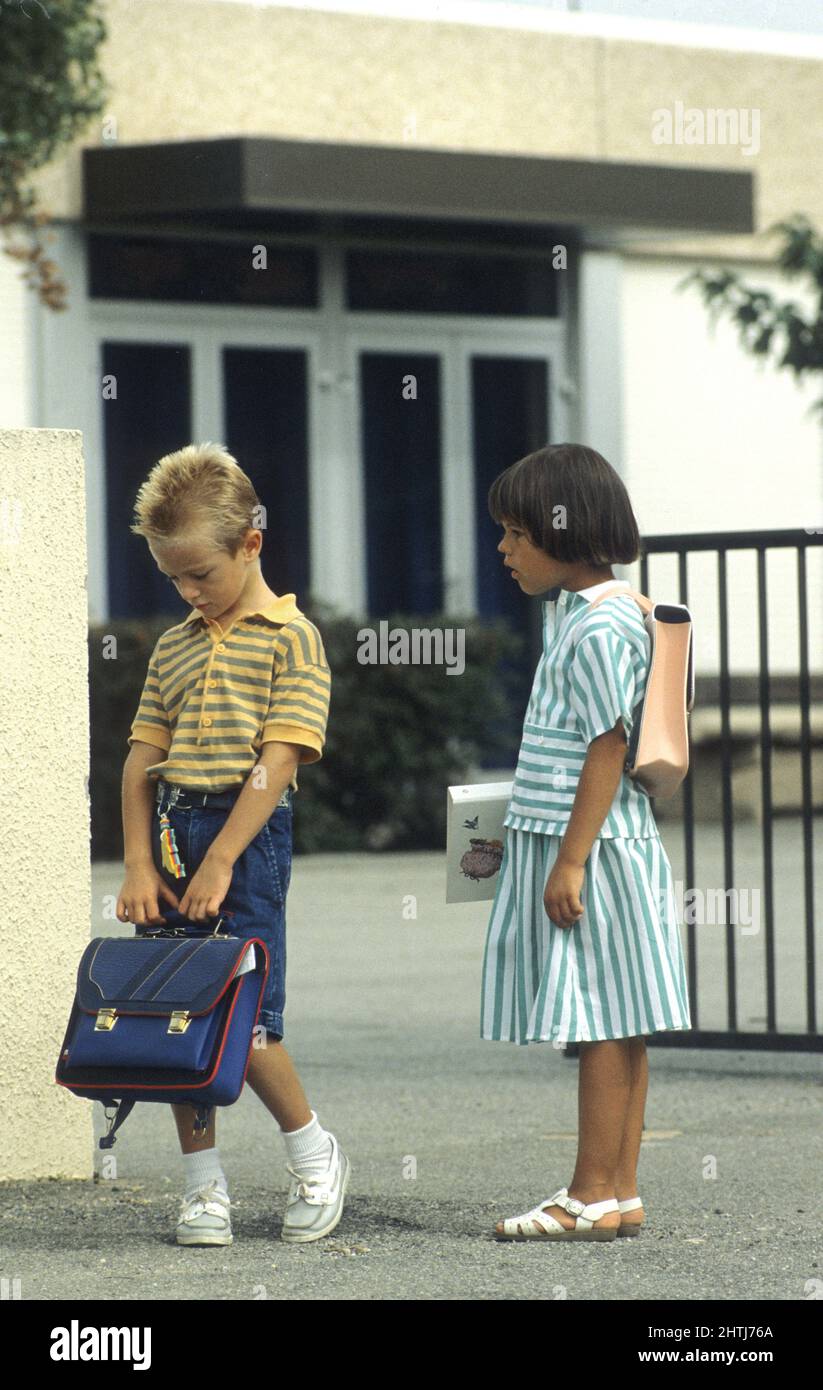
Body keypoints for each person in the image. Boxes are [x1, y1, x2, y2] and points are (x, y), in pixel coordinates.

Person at [115, 441, 349, 1248]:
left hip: (246, 842)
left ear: (251, 543)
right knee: (177, 1018)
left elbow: (277, 761)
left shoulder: (292, 638)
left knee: (247, 1023)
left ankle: (312, 1150)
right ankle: (202, 1187)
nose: (188, 592)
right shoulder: (175, 645)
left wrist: (221, 859)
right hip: (174, 837)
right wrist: (141, 861)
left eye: (200, 576)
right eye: (172, 578)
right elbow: (141, 762)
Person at [480, 443, 691, 1241]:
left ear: (566, 534)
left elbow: (608, 743)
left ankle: (586, 1194)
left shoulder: (599, 625)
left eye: (515, 534)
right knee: (620, 1015)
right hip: (601, 839)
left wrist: (568, 859)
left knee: (600, 1019)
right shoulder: (585, 610)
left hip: (593, 845)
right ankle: (618, 1193)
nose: (503, 549)